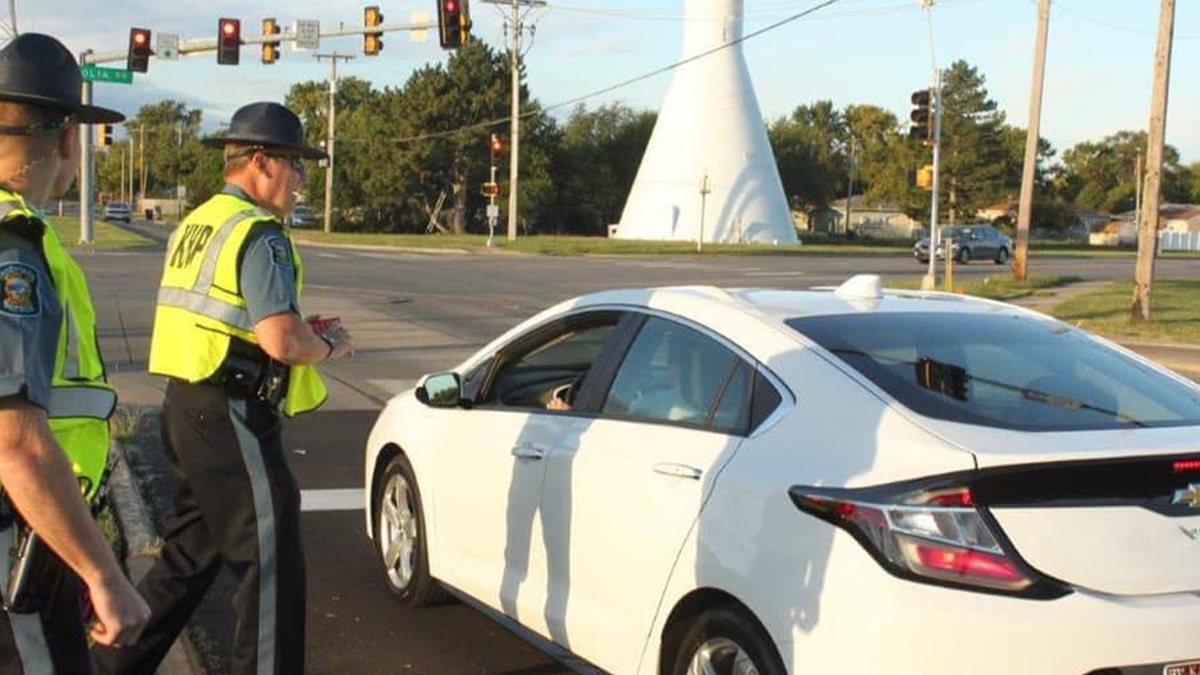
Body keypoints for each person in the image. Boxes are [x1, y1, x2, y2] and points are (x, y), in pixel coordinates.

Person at [92, 102, 353, 675]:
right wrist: (330, 346)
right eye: (296, 164)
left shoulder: (200, 222)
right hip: (231, 415)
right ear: (261, 161)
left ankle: (109, 667)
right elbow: (282, 341)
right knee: (271, 570)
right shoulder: (260, 234)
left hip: (185, 407)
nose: (301, 178)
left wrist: (300, 332)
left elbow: (227, 318)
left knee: (190, 556)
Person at [0, 33, 151, 672]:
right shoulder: (16, 252)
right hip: (19, 533)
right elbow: (16, 441)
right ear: (66, 140)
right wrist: (104, 574)